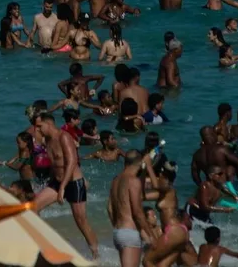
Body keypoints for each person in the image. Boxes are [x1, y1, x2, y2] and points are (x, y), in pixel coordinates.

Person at [32, 113, 98, 258]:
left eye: (39, 126)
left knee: (81, 221)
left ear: (48, 124)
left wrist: (62, 187)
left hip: (73, 183)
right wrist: (51, 183)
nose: (37, 130)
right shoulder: (47, 141)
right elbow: (55, 165)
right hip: (57, 182)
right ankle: (46, 245)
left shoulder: (64, 137)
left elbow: (72, 161)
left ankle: (96, 254)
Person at [107, 149, 157, 267]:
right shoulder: (133, 181)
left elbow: (109, 208)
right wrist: (151, 235)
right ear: (140, 163)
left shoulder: (116, 180)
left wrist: (118, 227)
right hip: (130, 233)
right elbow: (137, 212)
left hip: (118, 232)